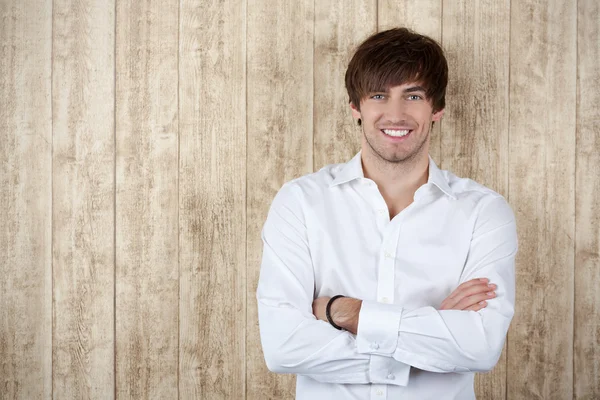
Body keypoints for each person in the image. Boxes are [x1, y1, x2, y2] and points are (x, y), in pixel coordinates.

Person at [256, 27, 517, 400]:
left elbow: (479, 348)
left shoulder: (483, 213)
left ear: (437, 108)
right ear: (356, 107)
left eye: (412, 95)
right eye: (379, 95)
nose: (396, 114)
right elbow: (283, 347)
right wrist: (432, 337)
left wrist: (348, 313)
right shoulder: (300, 202)